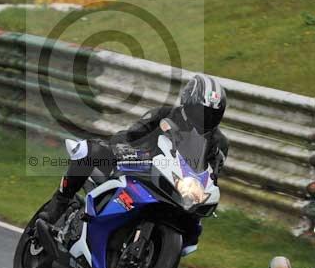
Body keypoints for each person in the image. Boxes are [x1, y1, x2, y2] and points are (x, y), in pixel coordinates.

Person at [41, 74, 229, 254]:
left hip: (176, 185)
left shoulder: (219, 142)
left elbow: (212, 175)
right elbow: (133, 134)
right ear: (188, 102)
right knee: (90, 151)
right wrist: (126, 147)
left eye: (212, 114)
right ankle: (60, 203)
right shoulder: (165, 114)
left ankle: (153, 253)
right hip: (141, 165)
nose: (205, 118)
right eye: (201, 111)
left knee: (195, 224)